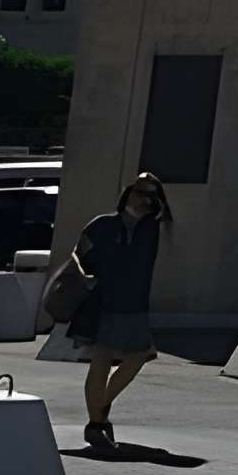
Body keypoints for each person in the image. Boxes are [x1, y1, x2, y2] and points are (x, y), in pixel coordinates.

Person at [65, 171, 171, 449]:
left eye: (149, 196)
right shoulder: (103, 225)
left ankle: (98, 416)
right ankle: (97, 422)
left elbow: (165, 213)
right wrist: (83, 275)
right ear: (128, 193)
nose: (143, 200)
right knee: (101, 360)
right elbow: (76, 254)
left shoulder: (151, 228)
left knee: (138, 356)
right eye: (138, 192)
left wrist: (155, 192)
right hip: (101, 300)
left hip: (134, 303)